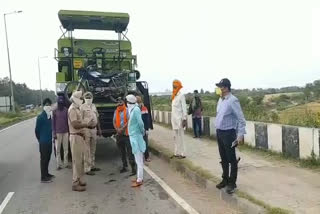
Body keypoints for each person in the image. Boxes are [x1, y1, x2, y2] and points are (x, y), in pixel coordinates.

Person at [214, 78, 246, 194]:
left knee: (231, 159)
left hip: (229, 133)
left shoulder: (233, 100)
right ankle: (225, 179)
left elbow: (241, 119)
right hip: (220, 132)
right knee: (223, 158)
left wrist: (240, 135)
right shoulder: (221, 100)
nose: (219, 89)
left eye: (220, 87)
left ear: (226, 88)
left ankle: (232, 183)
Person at [68, 91, 94, 192]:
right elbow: (75, 124)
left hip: (79, 136)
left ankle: (79, 180)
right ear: (76, 99)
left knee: (80, 160)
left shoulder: (77, 108)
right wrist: (85, 124)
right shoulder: (72, 109)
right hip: (75, 137)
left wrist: (83, 123)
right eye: (80, 98)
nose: (82, 100)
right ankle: (75, 183)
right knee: (76, 161)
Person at [126, 94, 146, 187]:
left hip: (137, 136)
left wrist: (142, 132)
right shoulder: (132, 109)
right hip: (133, 136)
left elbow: (140, 123)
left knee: (139, 160)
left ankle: (139, 179)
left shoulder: (136, 110)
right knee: (137, 158)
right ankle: (139, 177)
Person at [80, 92, 102, 176]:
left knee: (93, 149)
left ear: (92, 98)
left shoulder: (93, 106)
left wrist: (99, 129)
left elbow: (97, 117)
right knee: (87, 150)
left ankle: (92, 165)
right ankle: (87, 168)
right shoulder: (82, 107)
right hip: (86, 129)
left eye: (90, 97)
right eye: (87, 97)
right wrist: (82, 130)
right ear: (84, 98)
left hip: (94, 129)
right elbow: (80, 119)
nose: (88, 98)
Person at [113, 97, 136, 174]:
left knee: (130, 152)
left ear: (124, 102)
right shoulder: (116, 111)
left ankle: (133, 168)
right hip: (119, 135)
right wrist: (117, 129)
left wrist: (122, 128)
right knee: (122, 152)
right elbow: (114, 121)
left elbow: (129, 120)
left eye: (120, 101)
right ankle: (124, 166)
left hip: (127, 134)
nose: (119, 102)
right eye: (118, 101)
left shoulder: (127, 110)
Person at [35, 98, 55, 183]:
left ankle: (47, 174)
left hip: (49, 141)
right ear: (43, 106)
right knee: (43, 159)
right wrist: (40, 140)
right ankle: (43, 177)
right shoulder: (40, 117)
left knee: (48, 158)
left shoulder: (49, 117)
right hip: (43, 142)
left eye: (49, 105)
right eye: (46, 105)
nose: (48, 106)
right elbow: (37, 131)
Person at [171, 79, 187, 159]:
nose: (173, 87)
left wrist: (184, 119)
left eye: (175, 86)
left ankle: (183, 153)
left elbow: (184, 108)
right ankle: (176, 152)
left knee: (181, 137)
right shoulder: (173, 96)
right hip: (174, 119)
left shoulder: (181, 96)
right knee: (175, 136)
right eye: (173, 86)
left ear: (178, 86)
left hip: (180, 120)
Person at [52, 96, 70, 170]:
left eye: (62, 102)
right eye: (59, 102)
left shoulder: (66, 110)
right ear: (58, 103)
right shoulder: (54, 111)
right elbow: (53, 123)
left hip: (65, 132)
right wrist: (54, 134)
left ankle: (66, 164)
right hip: (58, 133)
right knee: (58, 150)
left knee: (66, 149)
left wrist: (69, 132)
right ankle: (58, 165)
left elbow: (68, 122)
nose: (61, 103)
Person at [136, 96, 151, 162]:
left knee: (145, 143)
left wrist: (147, 129)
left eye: (138, 101)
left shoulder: (144, 108)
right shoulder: (134, 109)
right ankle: (140, 157)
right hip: (136, 129)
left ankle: (146, 156)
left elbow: (146, 120)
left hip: (143, 129)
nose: (138, 102)